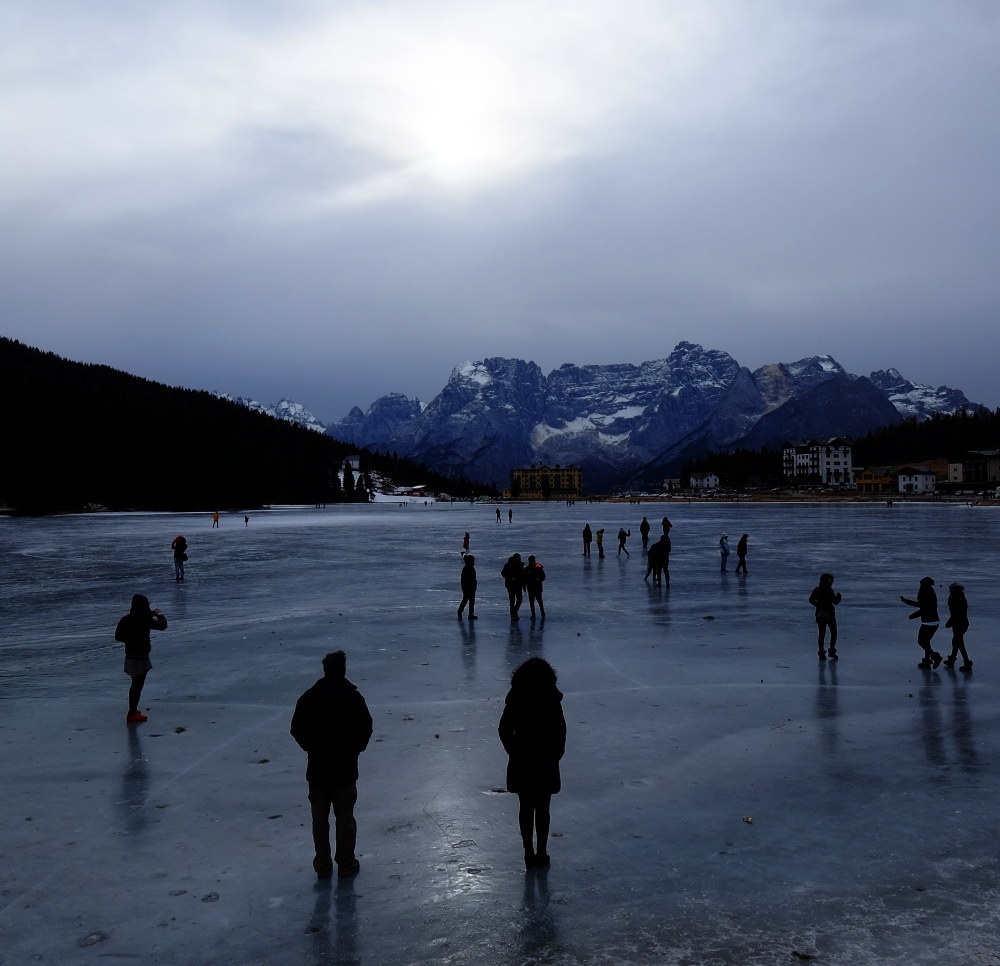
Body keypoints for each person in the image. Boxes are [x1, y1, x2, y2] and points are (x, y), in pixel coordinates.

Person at [290, 651, 374, 880]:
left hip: (317, 769)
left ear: (325, 669)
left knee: (319, 820)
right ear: (343, 669)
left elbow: (296, 728)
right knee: (345, 818)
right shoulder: (352, 696)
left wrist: (311, 748)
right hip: (345, 769)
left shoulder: (310, 696)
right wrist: (355, 750)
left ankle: (323, 865)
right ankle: (346, 864)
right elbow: (366, 727)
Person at [498, 657, 567, 870]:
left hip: (523, 759)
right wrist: (556, 753)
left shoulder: (516, 697)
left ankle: (528, 852)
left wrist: (514, 750)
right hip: (546, 759)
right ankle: (542, 851)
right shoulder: (551, 699)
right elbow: (560, 730)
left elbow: (504, 729)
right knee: (543, 808)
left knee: (526, 808)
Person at [114, 594, 168, 723]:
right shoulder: (144, 619)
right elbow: (162, 625)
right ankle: (132, 713)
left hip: (130, 655)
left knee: (135, 683)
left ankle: (133, 710)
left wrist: (130, 639)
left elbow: (118, 637)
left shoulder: (126, 619)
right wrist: (159, 614)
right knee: (137, 685)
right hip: (141, 656)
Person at [900, 577, 943, 669]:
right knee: (926, 642)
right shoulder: (930, 591)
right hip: (933, 621)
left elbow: (924, 608)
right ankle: (927, 661)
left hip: (929, 622)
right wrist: (906, 601)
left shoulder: (926, 592)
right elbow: (922, 606)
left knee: (921, 642)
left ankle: (935, 657)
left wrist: (912, 615)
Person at [808, 573, 842, 660]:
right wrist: (839, 597)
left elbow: (811, 600)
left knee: (821, 634)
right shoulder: (830, 590)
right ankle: (831, 651)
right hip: (830, 614)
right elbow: (835, 602)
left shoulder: (817, 590)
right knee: (833, 633)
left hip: (820, 614)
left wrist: (818, 606)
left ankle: (821, 653)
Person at [943, 583, 972, 671]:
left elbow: (955, 614)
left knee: (959, 643)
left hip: (958, 624)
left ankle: (967, 663)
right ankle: (952, 660)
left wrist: (948, 623)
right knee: (956, 642)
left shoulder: (954, 599)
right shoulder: (961, 598)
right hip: (963, 624)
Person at [501, 553, 524, 620]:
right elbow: (503, 573)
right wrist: (510, 578)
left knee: (519, 599)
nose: (520, 559)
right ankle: (513, 614)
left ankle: (514, 612)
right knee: (512, 600)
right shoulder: (508, 565)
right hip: (511, 585)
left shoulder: (520, 565)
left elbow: (522, 575)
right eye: (518, 558)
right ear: (515, 558)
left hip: (518, 585)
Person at [523, 555, 546, 619]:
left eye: (532, 561)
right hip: (531, 587)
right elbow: (524, 579)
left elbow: (543, 577)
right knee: (532, 601)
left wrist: (538, 579)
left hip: (537, 587)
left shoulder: (538, 567)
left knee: (539, 600)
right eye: (530, 561)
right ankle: (533, 614)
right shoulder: (527, 569)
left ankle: (542, 612)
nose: (531, 562)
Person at [457, 555, 478, 620]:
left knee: (468, 600)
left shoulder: (468, 567)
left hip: (469, 586)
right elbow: (468, 579)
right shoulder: (468, 568)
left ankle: (469, 614)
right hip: (469, 587)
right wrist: (471, 585)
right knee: (468, 600)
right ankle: (463, 612)